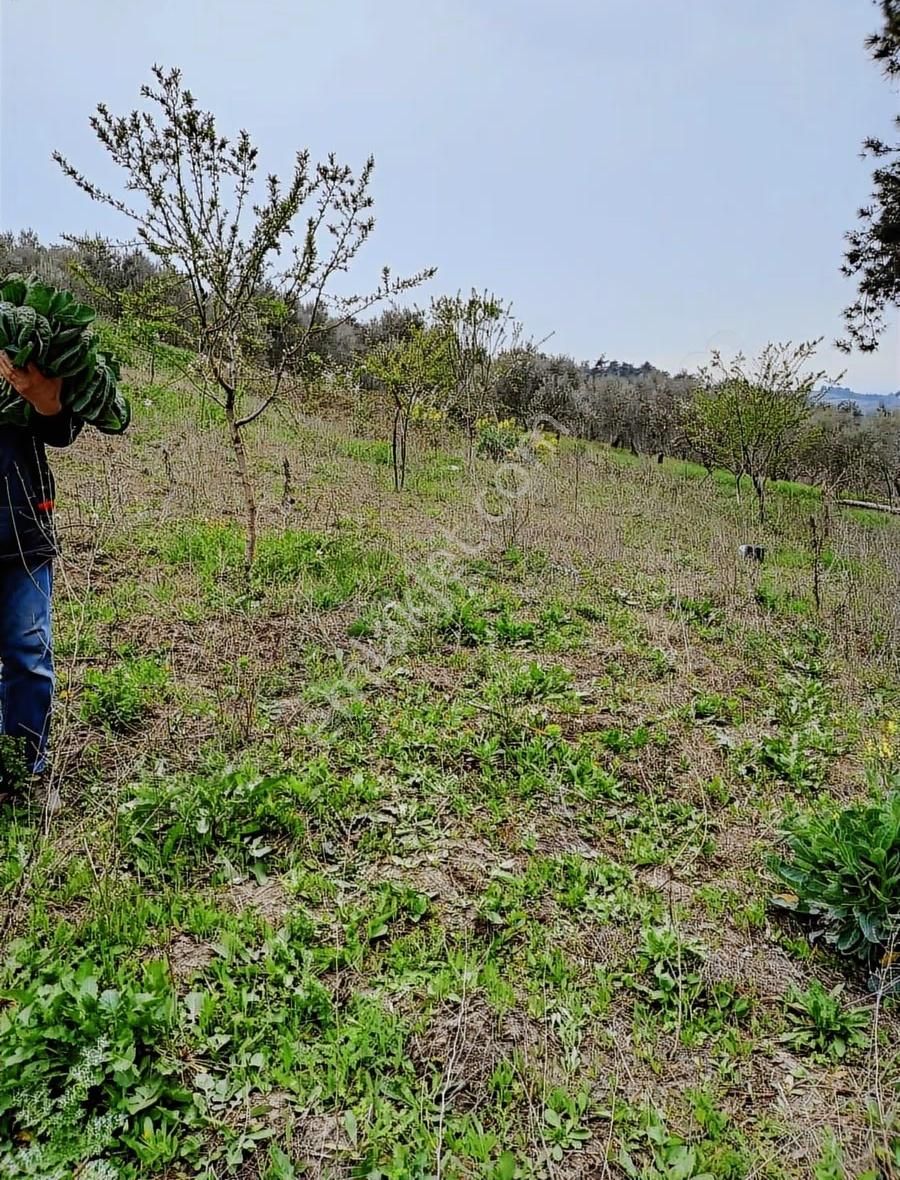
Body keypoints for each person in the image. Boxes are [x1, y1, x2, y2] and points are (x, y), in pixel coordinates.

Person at [0, 353, 83, 805]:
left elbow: (62, 430)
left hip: (21, 525)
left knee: (29, 654)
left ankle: (23, 773)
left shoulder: (20, 344)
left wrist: (46, 400)